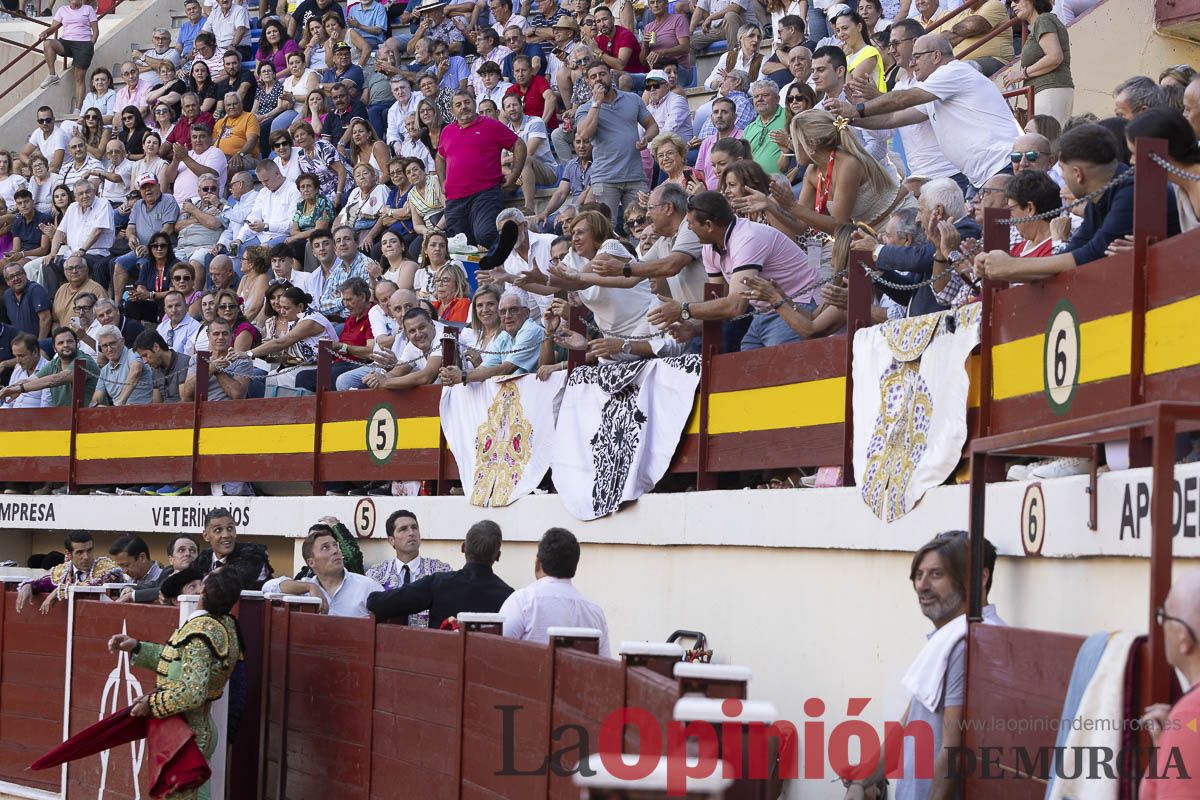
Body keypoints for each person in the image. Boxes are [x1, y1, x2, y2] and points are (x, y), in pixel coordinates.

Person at [842, 531, 1004, 800]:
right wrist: (861, 781)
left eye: (937, 574)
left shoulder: (968, 643)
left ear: (980, 578)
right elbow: (908, 724)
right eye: (919, 575)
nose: (922, 585)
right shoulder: (951, 637)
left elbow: (953, 751)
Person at [977, 123, 1180, 282]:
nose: (1061, 178)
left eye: (1062, 170)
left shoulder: (1131, 192)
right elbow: (1073, 252)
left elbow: (1090, 255)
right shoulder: (1103, 197)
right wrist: (1002, 269)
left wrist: (1012, 266)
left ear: (1078, 174)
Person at [106, 566, 242, 800]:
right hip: (192, 729)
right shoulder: (223, 624)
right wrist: (137, 647)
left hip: (188, 734)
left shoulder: (201, 632)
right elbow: (181, 663)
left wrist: (152, 704)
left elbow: (192, 692)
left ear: (204, 590)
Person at [829, 33, 1020, 193]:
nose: (912, 64)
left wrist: (857, 110)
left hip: (1001, 166)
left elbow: (902, 100)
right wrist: (851, 119)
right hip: (982, 176)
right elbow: (892, 119)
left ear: (936, 56)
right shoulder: (936, 89)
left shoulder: (952, 71)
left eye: (917, 57)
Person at [649, 191, 817, 350]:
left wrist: (683, 309)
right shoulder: (709, 246)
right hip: (765, 311)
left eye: (691, 224)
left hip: (800, 304)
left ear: (708, 225)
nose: (689, 229)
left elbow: (735, 306)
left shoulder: (747, 239)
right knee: (745, 365)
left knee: (777, 365)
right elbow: (719, 302)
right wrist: (695, 328)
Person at [367, 519, 513, 628]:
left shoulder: (439, 582)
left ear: (463, 548)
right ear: (498, 556)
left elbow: (377, 603)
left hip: (440, 658)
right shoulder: (508, 596)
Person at [499, 527, 610, 657]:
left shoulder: (522, 601)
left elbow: (496, 651)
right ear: (574, 567)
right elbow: (604, 663)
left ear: (538, 564)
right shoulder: (595, 613)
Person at [1139, 569, 1200, 799]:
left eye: (1164, 617)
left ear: (1184, 637)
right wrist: (1168, 746)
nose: (1161, 625)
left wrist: (1181, 734)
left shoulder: (1190, 715)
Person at [438, 91, 525, 249]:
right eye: (458, 104)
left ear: (474, 103)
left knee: (486, 235)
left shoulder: (491, 125)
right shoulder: (447, 131)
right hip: (455, 198)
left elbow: (519, 145)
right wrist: (442, 181)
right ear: (452, 110)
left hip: (485, 194)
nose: (463, 107)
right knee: (460, 245)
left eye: (467, 102)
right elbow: (440, 157)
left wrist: (514, 175)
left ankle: (506, 262)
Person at [576, 61, 658, 225]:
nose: (598, 79)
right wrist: (596, 104)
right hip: (605, 178)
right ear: (588, 82)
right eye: (593, 77)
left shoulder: (633, 99)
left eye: (602, 74)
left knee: (641, 223)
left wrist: (646, 138)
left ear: (611, 75)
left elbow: (653, 126)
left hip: (635, 175)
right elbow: (584, 134)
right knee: (607, 226)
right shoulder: (585, 109)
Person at [261, 527, 384, 617]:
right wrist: (310, 587)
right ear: (311, 563)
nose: (335, 551)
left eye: (335, 545)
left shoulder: (367, 586)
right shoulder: (305, 589)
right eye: (326, 547)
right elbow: (268, 587)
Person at [364, 509, 452, 625]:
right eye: (403, 529)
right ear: (391, 540)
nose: (411, 533)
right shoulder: (376, 574)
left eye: (414, 528)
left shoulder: (440, 571)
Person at [1000, 0, 1072, 126]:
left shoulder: (1043, 20)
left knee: (1046, 135)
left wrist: (1021, 74)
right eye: (1010, 2)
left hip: (1049, 90)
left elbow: (1055, 57)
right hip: (1050, 90)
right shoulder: (1041, 23)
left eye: (1016, 0)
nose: (1012, 5)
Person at [0, 327, 97, 408]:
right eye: (60, 343)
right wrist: (10, 388)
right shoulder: (54, 363)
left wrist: (19, 389)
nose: (66, 345)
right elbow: (31, 380)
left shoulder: (84, 361)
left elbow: (54, 380)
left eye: (70, 341)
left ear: (77, 343)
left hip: (89, 419)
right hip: (64, 418)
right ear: (54, 348)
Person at [362, 306, 446, 389]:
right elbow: (397, 372)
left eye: (422, 327)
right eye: (412, 331)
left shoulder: (443, 336)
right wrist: (379, 378)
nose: (418, 334)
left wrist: (385, 382)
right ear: (407, 334)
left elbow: (427, 377)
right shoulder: (413, 344)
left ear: (431, 323)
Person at [194, 507, 273, 589]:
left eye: (230, 528)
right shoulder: (204, 557)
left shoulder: (253, 554)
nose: (226, 535)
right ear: (206, 536)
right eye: (218, 530)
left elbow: (232, 580)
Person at [37, 0, 98, 104]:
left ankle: (78, 109)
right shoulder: (62, 9)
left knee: (79, 79)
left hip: (83, 43)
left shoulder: (88, 9)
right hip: (66, 42)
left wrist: (90, 45)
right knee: (48, 44)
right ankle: (52, 74)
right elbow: (53, 28)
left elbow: (95, 31)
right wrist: (45, 32)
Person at [120, 534, 199, 603]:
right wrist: (130, 588)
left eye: (192, 551)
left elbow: (166, 590)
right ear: (171, 559)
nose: (188, 554)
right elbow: (153, 586)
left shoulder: (200, 576)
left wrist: (133, 595)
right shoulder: (168, 571)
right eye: (181, 550)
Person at [689, 0, 756, 61]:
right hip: (719, 29)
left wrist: (711, 18)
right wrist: (689, 32)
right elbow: (700, 9)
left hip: (744, 29)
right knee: (689, 41)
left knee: (730, 16)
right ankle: (689, 69)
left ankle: (735, 59)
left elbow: (736, 7)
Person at [3, 262, 51, 339]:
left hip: (37, 343)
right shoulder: (7, 295)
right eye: (11, 277)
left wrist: (40, 343)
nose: (16, 278)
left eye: (19, 274)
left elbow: (45, 318)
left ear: (25, 274)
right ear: (7, 282)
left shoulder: (36, 290)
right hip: (19, 343)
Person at [0, 333, 50, 409]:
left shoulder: (49, 370)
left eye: (22, 356)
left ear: (35, 352)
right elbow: (8, 403)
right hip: (13, 414)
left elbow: (46, 406)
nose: (18, 361)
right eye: (16, 356)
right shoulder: (18, 370)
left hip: (36, 415)